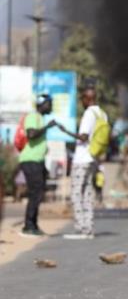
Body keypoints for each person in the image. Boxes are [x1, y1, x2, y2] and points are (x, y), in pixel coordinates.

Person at [62, 88, 108, 239]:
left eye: (82, 99)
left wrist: (65, 131)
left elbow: (83, 137)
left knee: (76, 194)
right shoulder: (102, 114)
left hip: (82, 159)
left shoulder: (89, 113)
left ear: (88, 99)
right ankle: (89, 228)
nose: (81, 102)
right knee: (87, 194)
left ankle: (82, 229)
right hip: (93, 159)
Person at [18, 94, 60, 237]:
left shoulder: (40, 118)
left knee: (39, 192)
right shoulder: (33, 116)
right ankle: (28, 226)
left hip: (38, 161)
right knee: (35, 192)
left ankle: (33, 225)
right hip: (30, 160)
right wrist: (47, 126)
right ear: (42, 104)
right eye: (49, 103)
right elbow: (31, 134)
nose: (51, 106)